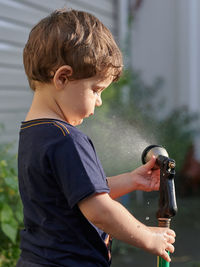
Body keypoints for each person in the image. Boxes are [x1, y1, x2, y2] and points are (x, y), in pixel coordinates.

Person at [16, 8, 175, 267]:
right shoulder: (67, 140)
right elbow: (100, 211)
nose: (99, 102)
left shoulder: (33, 132)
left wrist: (132, 180)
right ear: (63, 77)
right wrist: (147, 237)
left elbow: (78, 191)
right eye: (96, 90)